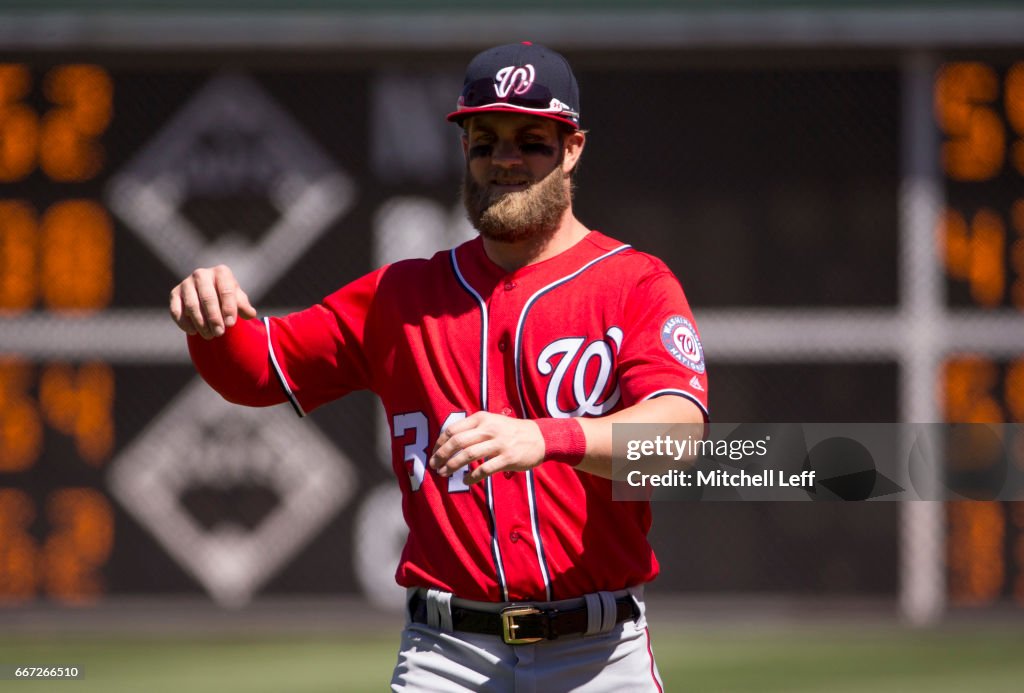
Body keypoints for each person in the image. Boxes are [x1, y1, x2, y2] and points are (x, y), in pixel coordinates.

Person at [170, 41, 708, 692]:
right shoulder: (401, 296)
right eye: (484, 140)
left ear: (573, 149)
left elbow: (676, 435)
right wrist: (214, 326)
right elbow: (259, 371)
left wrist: (546, 435)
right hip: (447, 655)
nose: (503, 158)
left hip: (597, 656)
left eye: (530, 139)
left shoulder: (633, 283)